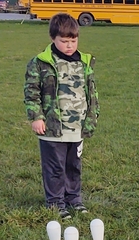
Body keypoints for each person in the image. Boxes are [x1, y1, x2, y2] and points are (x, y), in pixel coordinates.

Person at [24, 13, 99, 220]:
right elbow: (31, 92)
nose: (69, 45)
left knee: (73, 166)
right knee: (55, 167)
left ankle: (73, 198)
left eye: (73, 41)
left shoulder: (84, 62)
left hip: (76, 128)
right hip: (52, 128)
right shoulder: (40, 63)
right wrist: (36, 117)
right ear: (52, 39)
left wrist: (92, 117)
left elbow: (91, 93)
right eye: (63, 41)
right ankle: (55, 202)